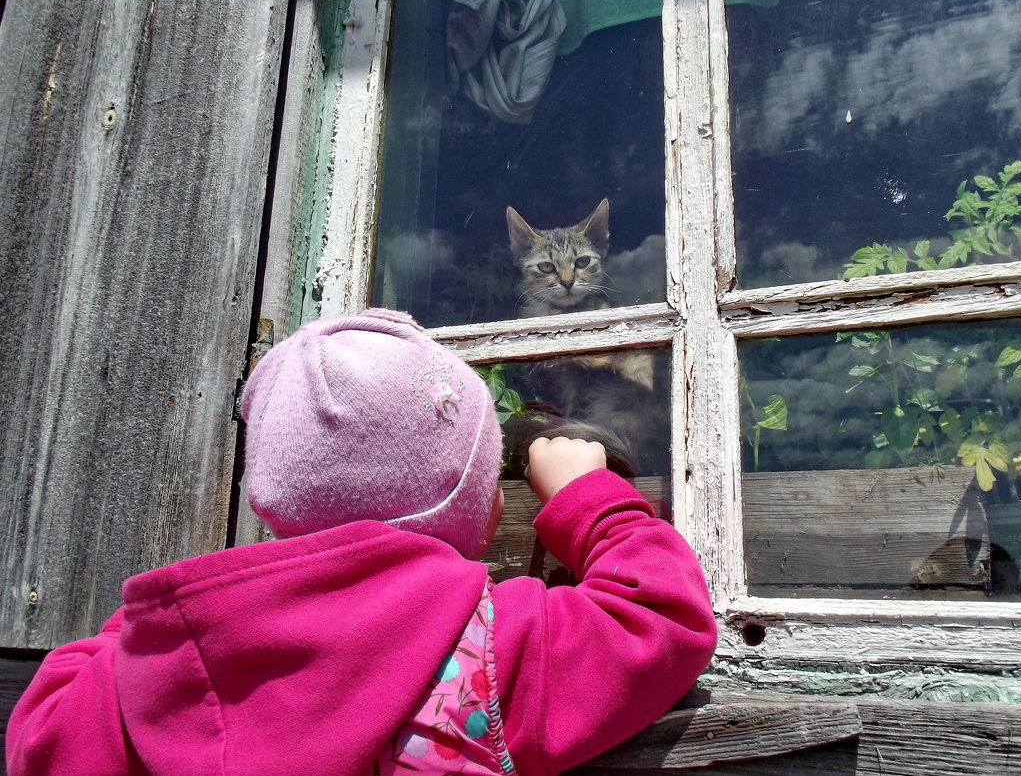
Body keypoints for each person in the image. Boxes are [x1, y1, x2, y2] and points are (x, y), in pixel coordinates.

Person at [6, 309, 716, 776]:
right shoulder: (490, 652)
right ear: (466, 512)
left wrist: (158, 624)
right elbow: (661, 619)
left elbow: (40, 735)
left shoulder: (155, 675)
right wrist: (587, 500)